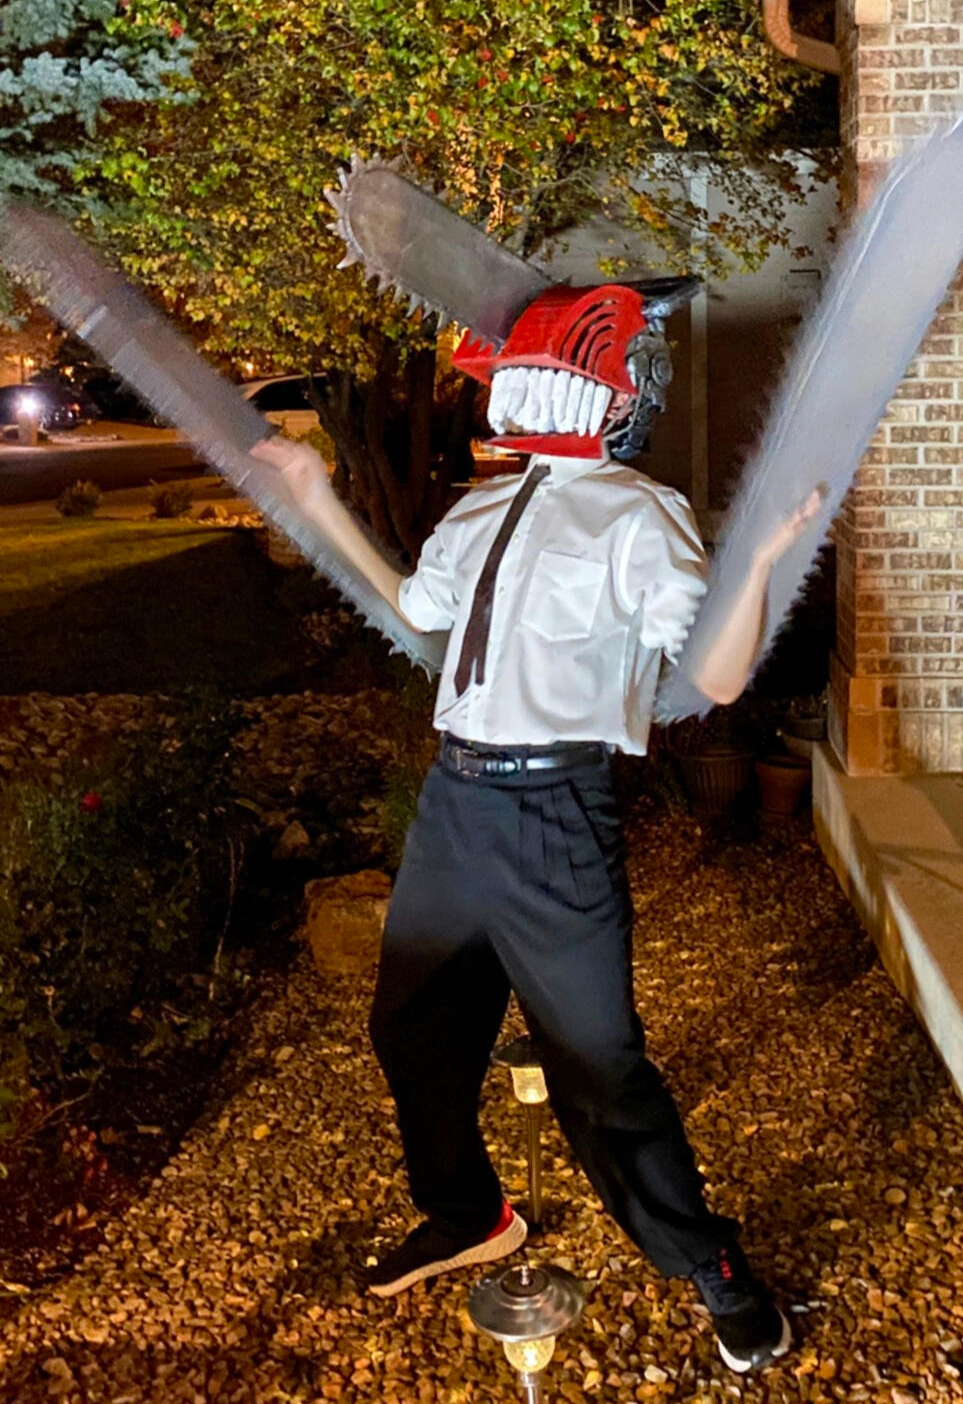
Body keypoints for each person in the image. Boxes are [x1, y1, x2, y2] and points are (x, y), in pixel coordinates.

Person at [251, 281, 821, 1375]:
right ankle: (470, 1213)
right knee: (413, 1033)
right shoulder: (476, 510)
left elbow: (712, 676)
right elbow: (411, 609)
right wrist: (318, 502)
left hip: (555, 811)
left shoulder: (637, 515)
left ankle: (714, 1270)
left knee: (599, 1074)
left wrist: (754, 564)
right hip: (454, 804)